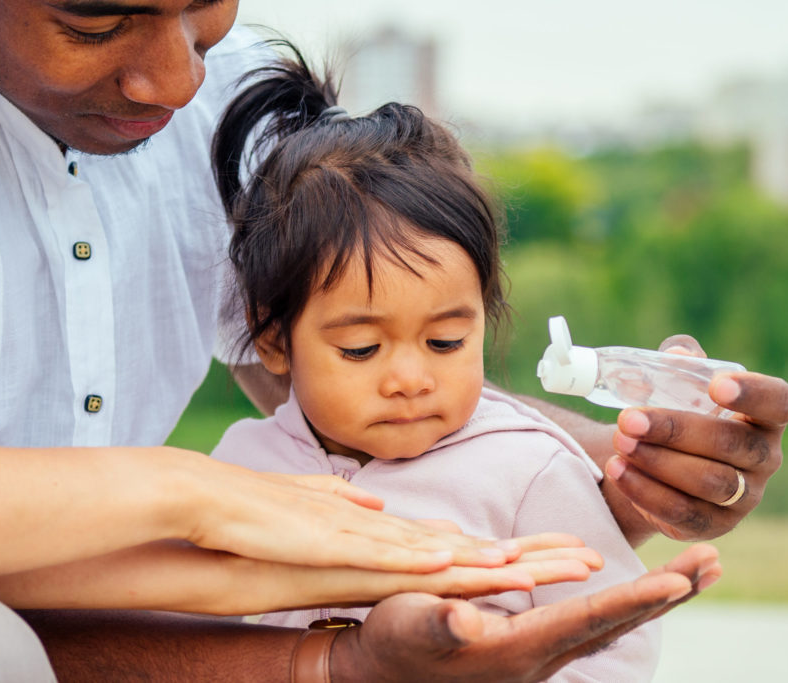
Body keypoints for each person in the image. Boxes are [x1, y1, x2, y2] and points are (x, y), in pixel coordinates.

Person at [0, 0, 788, 680]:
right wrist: (315, 644)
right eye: (95, 20)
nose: (178, 79)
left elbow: (357, 371)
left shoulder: (229, 108)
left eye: (201, 8)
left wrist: (605, 462)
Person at [209, 46, 665, 680]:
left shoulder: (529, 471)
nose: (410, 380)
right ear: (274, 338)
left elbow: (618, 646)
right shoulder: (240, 467)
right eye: (361, 349)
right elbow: (191, 636)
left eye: (446, 342)